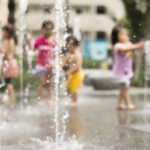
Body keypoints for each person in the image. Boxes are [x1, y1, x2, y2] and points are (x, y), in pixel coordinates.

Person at [111, 24, 145, 110]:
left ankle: (118, 104)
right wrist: (136, 46)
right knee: (125, 88)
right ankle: (128, 104)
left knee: (123, 89)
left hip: (126, 72)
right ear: (116, 37)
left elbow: (133, 47)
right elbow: (125, 49)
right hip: (120, 73)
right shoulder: (117, 46)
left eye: (125, 34)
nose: (124, 36)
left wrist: (142, 46)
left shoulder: (128, 44)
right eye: (121, 34)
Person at [34, 20, 56, 106]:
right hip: (41, 65)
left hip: (50, 66)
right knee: (42, 82)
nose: (49, 31)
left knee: (49, 83)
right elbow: (33, 49)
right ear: (42, 29)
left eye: (51, 29)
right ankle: (40, 99)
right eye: (47, 29)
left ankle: (50, 99)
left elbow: (56, 54)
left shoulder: (54, 41)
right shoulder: (39, 40)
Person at [61, 36, 84, 106]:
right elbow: (64, 62)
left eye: (69, 46)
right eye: (66, 46)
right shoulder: (68, 55)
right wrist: (59, 66)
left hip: (78, 75)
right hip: (72, 75)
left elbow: (77, 66)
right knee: (67, 87)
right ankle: (72, 99)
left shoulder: (78, 55)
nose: (67, 47)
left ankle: (75, 101)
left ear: (75, 46)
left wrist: (69, 71)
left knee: (74, 88)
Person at [0, 24, 18, 106]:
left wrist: (1, 49)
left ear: (7, 32)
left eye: (3, 31)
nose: (2, 33)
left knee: (8, 82)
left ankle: (12, 99)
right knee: (8, 81)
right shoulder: (11, 40)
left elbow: (5, 53)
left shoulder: (8, 41)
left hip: (8, 63)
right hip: (10, 62)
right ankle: (10, 98)